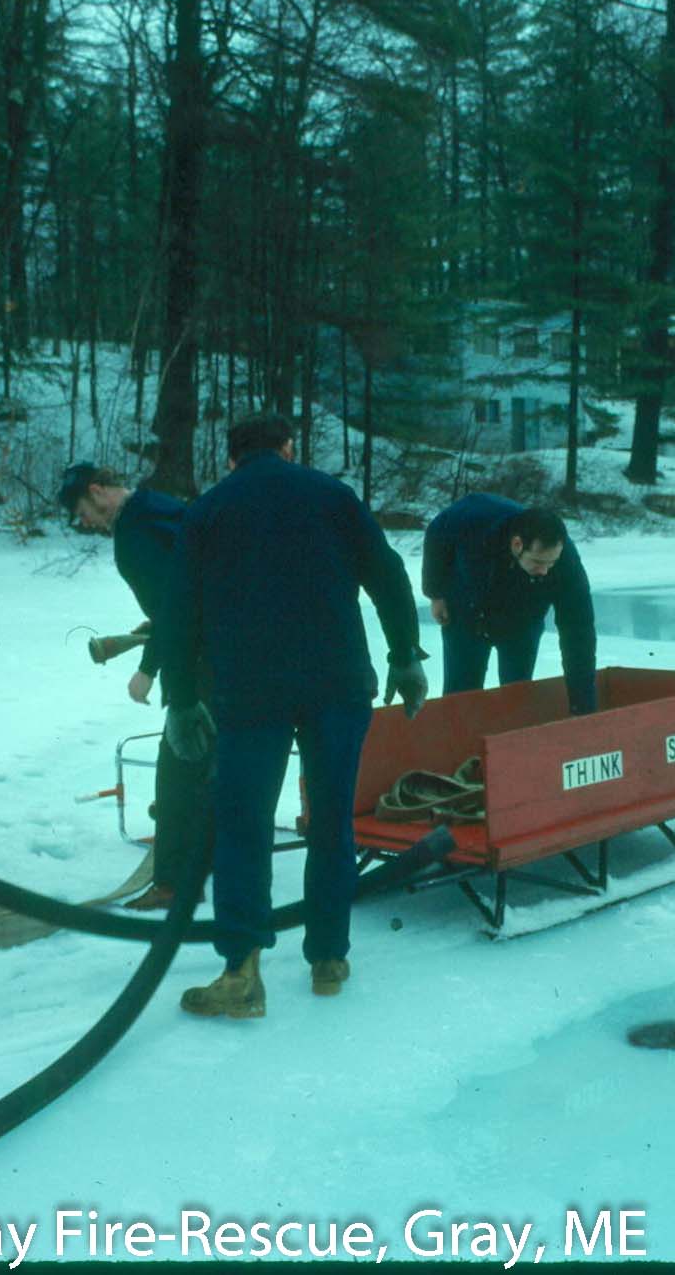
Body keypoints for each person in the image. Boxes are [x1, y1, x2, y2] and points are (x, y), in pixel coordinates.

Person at [158, 413, 427, 1019]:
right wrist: (405, 655)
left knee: (244, 825)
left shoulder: (208, 510)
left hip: (250, 693)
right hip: (338, 685)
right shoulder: (332, 495)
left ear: (231, 458)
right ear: (287, 448)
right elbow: (387, 574)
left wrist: (180, 697)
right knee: (332, 819)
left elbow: (177, 611)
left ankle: (241, 974)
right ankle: (328, 959)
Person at [58, 461, 214, 911]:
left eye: (83, 511)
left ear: (97, 490)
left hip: (199, 663)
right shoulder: (161, 506)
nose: (86, 522)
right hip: (232, 650)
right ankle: (210, 863)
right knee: (213, 766)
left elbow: (174, 606)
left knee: (178, 769)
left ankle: (173, 884)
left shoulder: (133, 533)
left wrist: (148, 669)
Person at [422, 494, 598, 716]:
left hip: (522, 620)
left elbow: (579, 633)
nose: (544, 571)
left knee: (517, 694)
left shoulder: (566, 563)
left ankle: (512, 734)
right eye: (538, 562)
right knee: (460, 696)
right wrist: (436, 593)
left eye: (551, 563)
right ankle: (459, 735)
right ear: (517, 545)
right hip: (466, 610)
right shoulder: (475, 521)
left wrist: (582, 708)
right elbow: (437, 531)